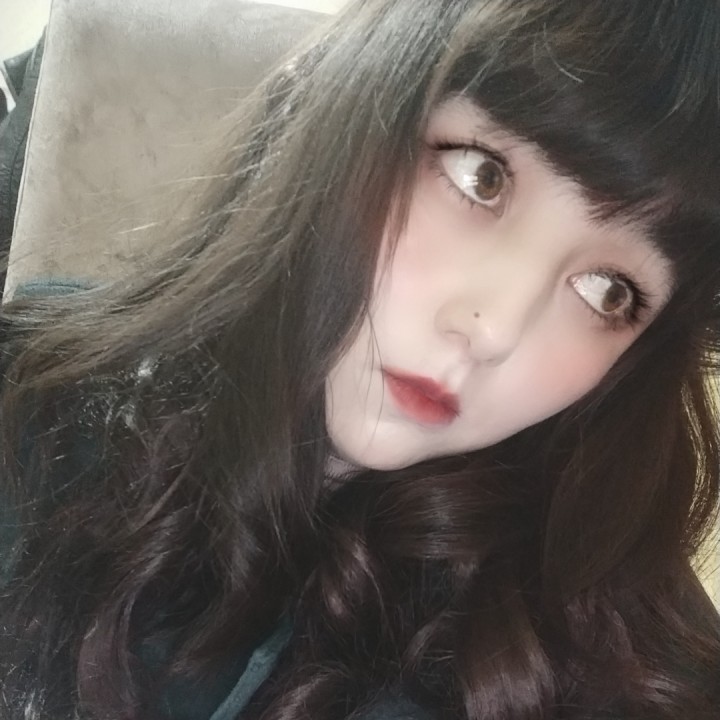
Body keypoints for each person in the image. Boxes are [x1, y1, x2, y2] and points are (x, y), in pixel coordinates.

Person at [1, 1, 719, 718]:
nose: (495, 330)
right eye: (481, 178)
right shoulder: (34, 392)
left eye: (607, 291)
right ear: (358, 104)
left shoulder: (597, 621)